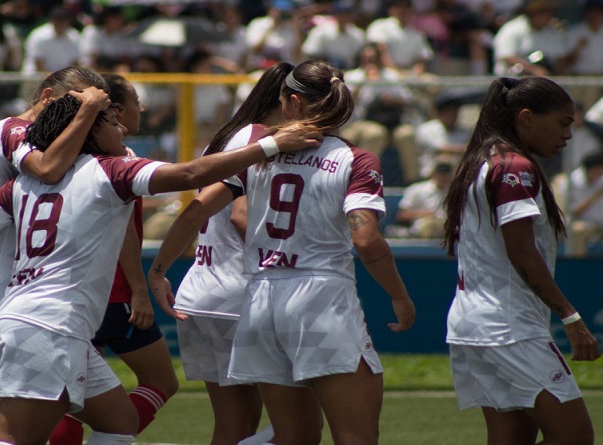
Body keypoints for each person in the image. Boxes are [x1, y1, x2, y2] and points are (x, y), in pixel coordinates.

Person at [0, 93, 322, 445]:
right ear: (87, 129)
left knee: (118, 423)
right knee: (16, 440)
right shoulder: (112, 171)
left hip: (35, 319)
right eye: (110, 121)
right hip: (50, 324)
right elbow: (190, 175)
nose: (121, 127)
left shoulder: (24, 182)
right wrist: (271, 144)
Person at [149, 59, 415, 445]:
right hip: (321, 302)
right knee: (356, 436)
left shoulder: (259, 154)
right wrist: (400, 296)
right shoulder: (355, 158)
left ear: (292, 101)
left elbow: (200, 207)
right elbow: (367, 239)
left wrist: (158, 269)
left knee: (293, 436)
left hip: (260, 302)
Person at [0, 66, 112, 445]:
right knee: (12, 435)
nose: (88, 117)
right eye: (81, 104)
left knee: (4, 431)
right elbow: (46, 171)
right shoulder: (16, 129)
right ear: (48, 98)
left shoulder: (11, 133)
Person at [442, 76, 601, 445]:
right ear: (527, 117)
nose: (568, 136)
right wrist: (570, 317)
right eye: (563, 123)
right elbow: (521, 251)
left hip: (474, 323)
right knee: (575, 436)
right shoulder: (515, 167)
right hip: (508, 327)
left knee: (511, 437)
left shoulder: (482, 160)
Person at [151, 62, 303, 445]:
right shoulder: (263, 139)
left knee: (232, 427)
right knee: (301, 426)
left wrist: (158, 270)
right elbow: (241, 215)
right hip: (238, 295)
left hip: (200, 292)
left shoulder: (226, 137)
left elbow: (196, 209)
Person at [48, 74, 180, 445]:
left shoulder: (58, 161)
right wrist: (140, 289)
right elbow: (124, 232)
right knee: (162, 381)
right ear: (115, 112)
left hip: (67, 291)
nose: (142, 109)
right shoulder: (117, 164)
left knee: (70, 398)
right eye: (136, 101)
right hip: (112, 292)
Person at [491, 0, 567, 77]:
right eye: (542, 11)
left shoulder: (552, 33)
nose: (548, 16)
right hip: (513, 82)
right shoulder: (512, 29)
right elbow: (506, 57)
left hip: (546, 83)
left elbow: (560, 60)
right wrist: (534, 70)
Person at [392, 158, 454, 239]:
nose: (444, 177)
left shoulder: (454, 192)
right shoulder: (417, 189)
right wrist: (423, 213)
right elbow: (402, 215)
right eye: (441, 173)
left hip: (445, 228)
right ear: (434, 174)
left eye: (446, 174)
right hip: (421, 227)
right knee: (429, 226)